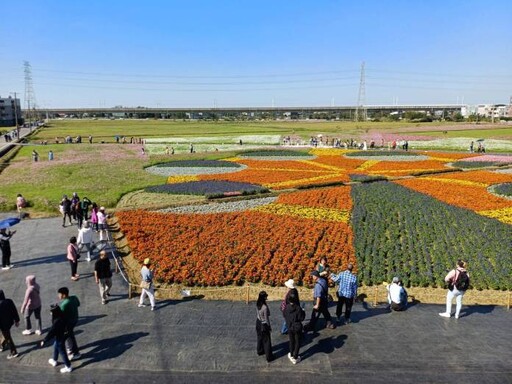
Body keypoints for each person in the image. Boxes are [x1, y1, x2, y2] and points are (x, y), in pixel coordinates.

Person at [40, 305, 72, 373]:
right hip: (65, 334)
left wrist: (44, 340)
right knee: (56, 345)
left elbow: (51, 332)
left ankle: (68, 366)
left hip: (60, 337)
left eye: (51, 312)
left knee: (62, 352)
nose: (50, 313)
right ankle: (54, 360)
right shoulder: (62, 315)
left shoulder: (57, 322)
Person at [58, 287, 81, 360]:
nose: (58, 296)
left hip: (68, 322)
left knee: (69, 336)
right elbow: (78, 304)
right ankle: (71, 349)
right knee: (70, 334)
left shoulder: (64, 304)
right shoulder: (74, 297)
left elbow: (60, 315)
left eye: (59, 294)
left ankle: (74, 352)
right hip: (75, 318)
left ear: (64, 295)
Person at [283, 288, 305, 364]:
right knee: (297, 341)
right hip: (297, 327)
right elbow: (301, 318)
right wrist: (303, 311)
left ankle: (291, 354)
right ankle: (295, 357)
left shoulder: (286, 307)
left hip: (290, 326)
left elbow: (284, 315)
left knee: (291, 341)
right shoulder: (298, 308)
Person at [0, 290, 20, 359]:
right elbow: (14, 311)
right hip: (9, 322)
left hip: (2, 325)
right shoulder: (9, 301)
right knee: (6, 334)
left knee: (8, 338)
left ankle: (13, 352)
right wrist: (17, 320)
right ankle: (2, 345)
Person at [256, 291, 274, 362]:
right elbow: (267, 319)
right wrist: (269, 327)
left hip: (258, 322)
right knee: (267, 341)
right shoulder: (265, 307)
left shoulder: (258, 304)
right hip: (264, 325)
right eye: (266, 296)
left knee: (259, 338)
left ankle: (260, 350)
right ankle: (269, 357)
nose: (267, 297)